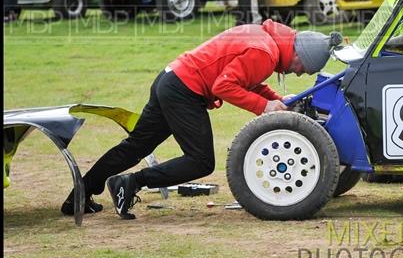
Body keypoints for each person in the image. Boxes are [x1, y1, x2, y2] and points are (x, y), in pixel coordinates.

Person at [60, 19, 344, 219]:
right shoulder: (265, 53)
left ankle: (79, 196)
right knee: (201, 160)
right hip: (184, 90)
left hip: (170, 79)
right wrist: (265, 107)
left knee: (136, 145)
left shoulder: (265, 38)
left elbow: (247, 79)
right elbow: (224, 86)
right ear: (297, 53)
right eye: (299, 68)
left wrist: (274, 99)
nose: (295, 73)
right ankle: (131, 183)